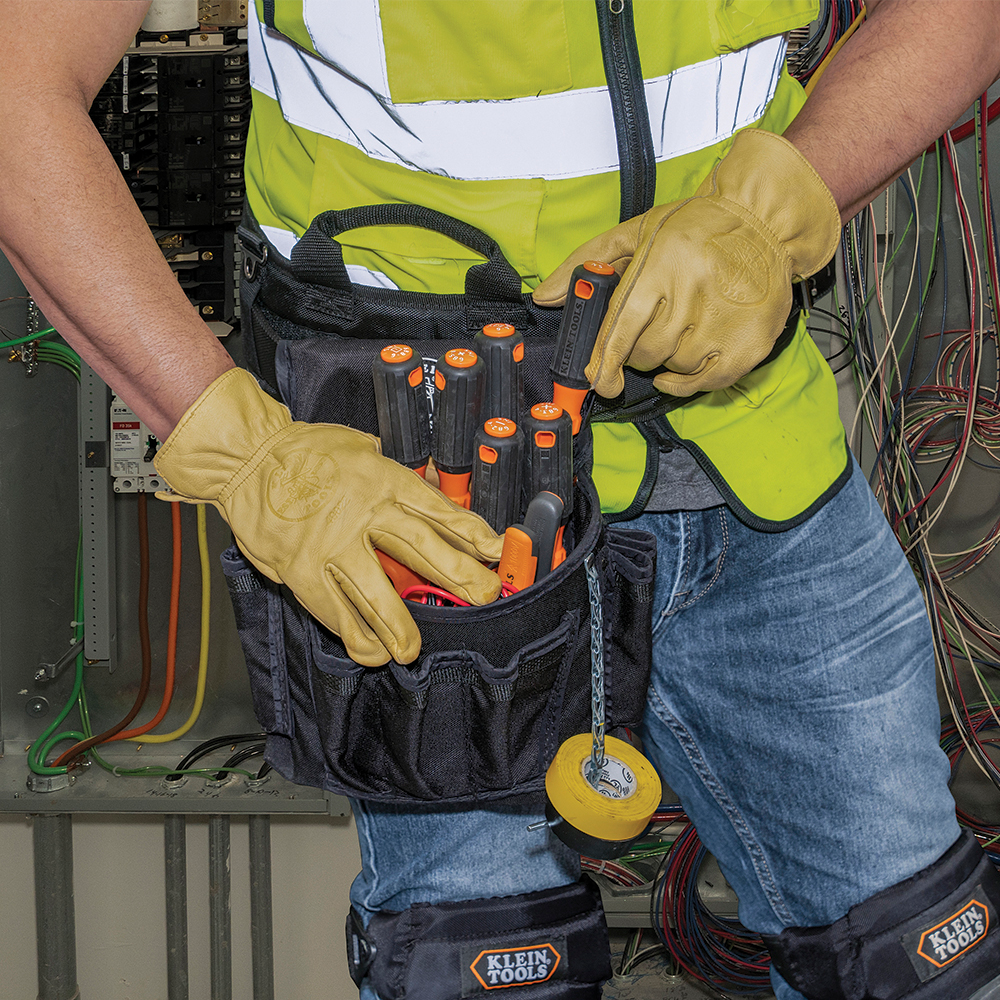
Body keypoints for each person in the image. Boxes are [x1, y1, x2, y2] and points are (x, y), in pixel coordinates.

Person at [2, 2, 1000, 998]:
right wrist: (245, 448)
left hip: (761, 462)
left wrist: (777, 206)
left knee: (914, 959)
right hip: (429, 507)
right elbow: (16, 84)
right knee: (485, 965)